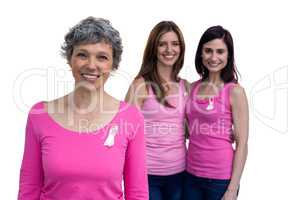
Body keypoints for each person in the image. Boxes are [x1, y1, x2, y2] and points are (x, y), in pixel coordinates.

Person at [18, 16, 148, 200]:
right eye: (82, 54)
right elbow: (29, 188)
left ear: (113, 65)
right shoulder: (39, 115)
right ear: (70, 59)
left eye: (102, 57)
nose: (91, 65)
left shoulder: (130, 117)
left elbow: (138, 193)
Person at [125, 21, 189, 200]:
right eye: (162, 44)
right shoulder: (141, 85)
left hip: (180, 172)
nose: (169, 49)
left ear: (181, 48)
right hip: (147, 175)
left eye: (175, 44)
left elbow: (189, 129)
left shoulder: (186, 86)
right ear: (154, 48)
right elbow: (126, 132)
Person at [184, 26, 249, 200]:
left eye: (220, 51)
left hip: (220, 181)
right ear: (200, 53)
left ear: (229, 55)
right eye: (208, 51)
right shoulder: (192, 88)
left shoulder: (234, 91)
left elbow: (242, 144)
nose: (214, 57)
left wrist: (232, 189)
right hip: (190, 175)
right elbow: (189, 130)